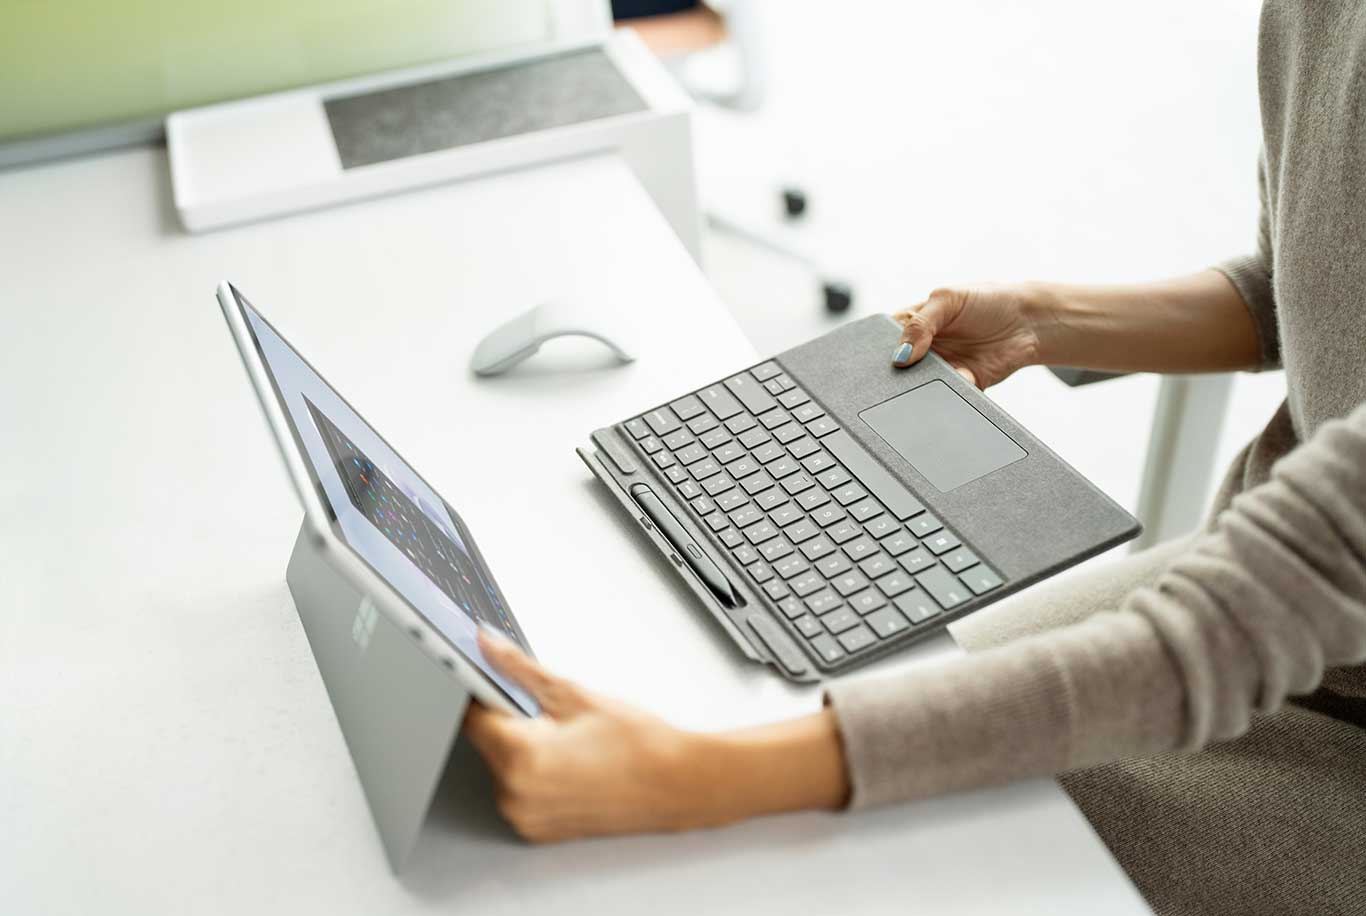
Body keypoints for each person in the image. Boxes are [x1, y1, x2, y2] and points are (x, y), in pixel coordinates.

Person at [464, 3, 1366, 912]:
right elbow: (1300, 289)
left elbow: (1220, 639)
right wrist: (1043, 322)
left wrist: (695, 777)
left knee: (842, 854)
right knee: (822, 695)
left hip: (1307, 696)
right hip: (1270, 589)